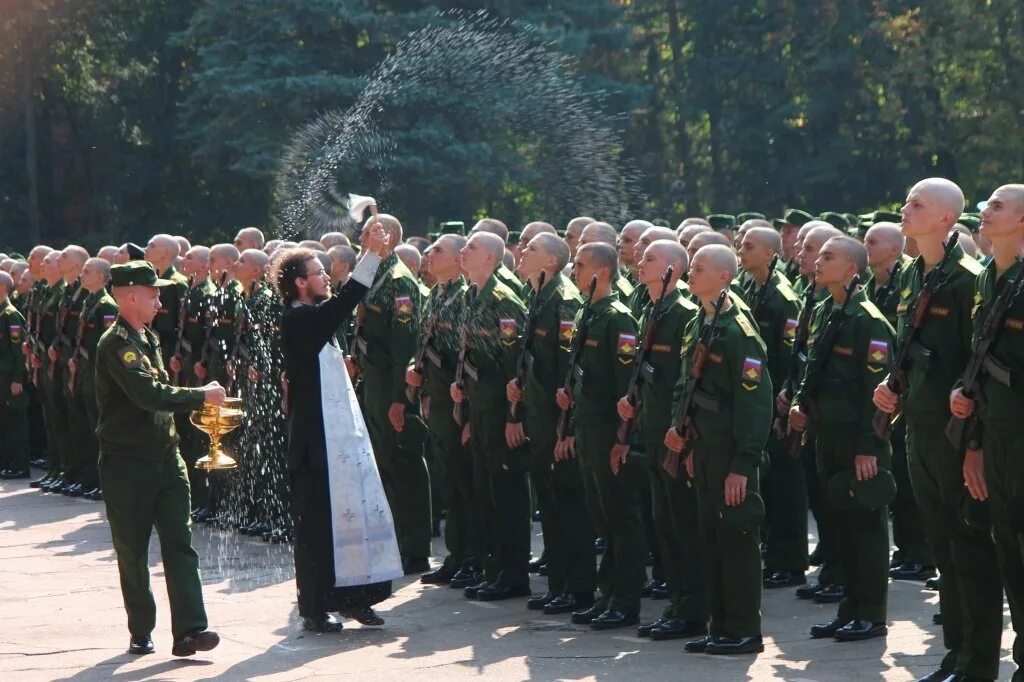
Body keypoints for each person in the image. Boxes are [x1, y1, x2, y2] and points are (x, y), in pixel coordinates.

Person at [875, 178, 1002, 681]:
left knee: (969, 548)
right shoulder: (914, 276)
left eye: (918, 204)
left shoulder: (968, 280)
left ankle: (977, 663)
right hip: (920, 429)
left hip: (955, 435)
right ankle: (956, 654)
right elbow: (911, 352)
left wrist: (975, 446)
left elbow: (976, 369)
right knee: (943, 547)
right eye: (906, 200)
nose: (905, 209)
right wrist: (891, 388)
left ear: (947, 219)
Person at [95, 260, 226, 657]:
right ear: (130, 296)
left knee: (180, 543)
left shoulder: (147, 338)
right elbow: (148, 395)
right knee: (132, 551)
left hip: (167, 459)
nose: (159, 300)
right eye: (153, 293)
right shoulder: (116, 345)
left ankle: (190, 630)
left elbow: (161, 393)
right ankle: (141, 628)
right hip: (127, 464)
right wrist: (200, 395)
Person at [276, 223, 401, 633]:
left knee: (356, 516)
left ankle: (357, 598)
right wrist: (371, 257)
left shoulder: (312, 317)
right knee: (315, 529)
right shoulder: (297, 320)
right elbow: (343, 304)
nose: (326, 276)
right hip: (316, 443)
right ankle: (314, 607)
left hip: (342, 438)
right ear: (299, 284)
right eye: (318, 273)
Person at [665, 244, 771, 656]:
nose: (691, 274)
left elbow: (754, 402)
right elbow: (686, 386)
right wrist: (682, 434)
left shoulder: (736, 330)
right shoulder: (701, 321)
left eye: (700, 268)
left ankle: (744, 630)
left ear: (724, 276)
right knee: (710, 538)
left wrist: (743, 465)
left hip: (730, 454)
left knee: (737, 539)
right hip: (704, 449)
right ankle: (720, 625)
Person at [790, 237, 894, 643]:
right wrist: (801, 405)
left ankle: (870, 613)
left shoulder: (867, 320)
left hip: (857, 442)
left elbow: (879, 389)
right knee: (837, 530)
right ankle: (849, 609)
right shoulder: (823, 311)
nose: (817, 261)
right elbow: (813, 370)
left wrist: (869, 444)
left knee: (865, 531)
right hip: (827, 437)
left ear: (852, 268)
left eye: (828, 256)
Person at [950, 183, 1024, 682]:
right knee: (1009, 551)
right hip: (995, 436)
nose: (986, 212)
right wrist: (968, 418)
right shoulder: (987, 283)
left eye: (997, 206)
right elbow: (977, 363)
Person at [617, 239, 708, 641]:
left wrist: (683, 435)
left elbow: (688, 382)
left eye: (650, 258)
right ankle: (678, 604)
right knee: (665, 525)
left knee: (684, 527)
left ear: (674, 266)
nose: (640, 261)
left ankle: (692, 609)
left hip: (676, 438)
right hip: (653, 434)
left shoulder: (684, 314)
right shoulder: (653, 311)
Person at [555, 242, 643, 629]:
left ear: (602, 272)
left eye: (580, 264)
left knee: (621, 518)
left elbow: (627, 389)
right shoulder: (587, 312)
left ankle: (625, 600)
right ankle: (607, 595)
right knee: (603, 520)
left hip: (609, 433)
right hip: (589, 430)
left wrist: (623, 439)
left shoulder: (618, 318)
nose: (574, 269)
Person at [507, 233, 593, 614]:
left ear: (552, 263)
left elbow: (570, 374)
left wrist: (568, 428)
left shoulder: (563, 300)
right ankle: (559, 584)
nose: (522, 252)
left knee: (570, 509)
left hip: (558, 426)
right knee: (551, 506)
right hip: (539, 420)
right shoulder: (537, 295)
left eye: (531, 250)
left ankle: (578, 588)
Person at [452, 232, 531, 602]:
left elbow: (515, 366)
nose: (463, 252)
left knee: (506, 496)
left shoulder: (503, 300)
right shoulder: (471, 294)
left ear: (490, 259)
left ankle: (512, 575)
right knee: (485, 493)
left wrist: (514, 416)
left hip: (500, 413)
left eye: (471, 248)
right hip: (480, 410)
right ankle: (493, 569)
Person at [738, 227, 806, 589]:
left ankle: (791, 560)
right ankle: (773, 552)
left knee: (785, 484)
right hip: (760, 397)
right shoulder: (750, 287)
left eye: (749, 246)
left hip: (778, 398)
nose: (741, 250)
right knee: (770, 482)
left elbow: (791, 356)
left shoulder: (782, 298)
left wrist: (786, 397)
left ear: (769, 254)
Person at [0, 271, 30, 479]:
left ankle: (20, 465)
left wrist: (18, 379)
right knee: (5, 422)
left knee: (15, 421)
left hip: (10, 376)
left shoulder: (10, 315)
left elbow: (19, 351)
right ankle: (9, 462)